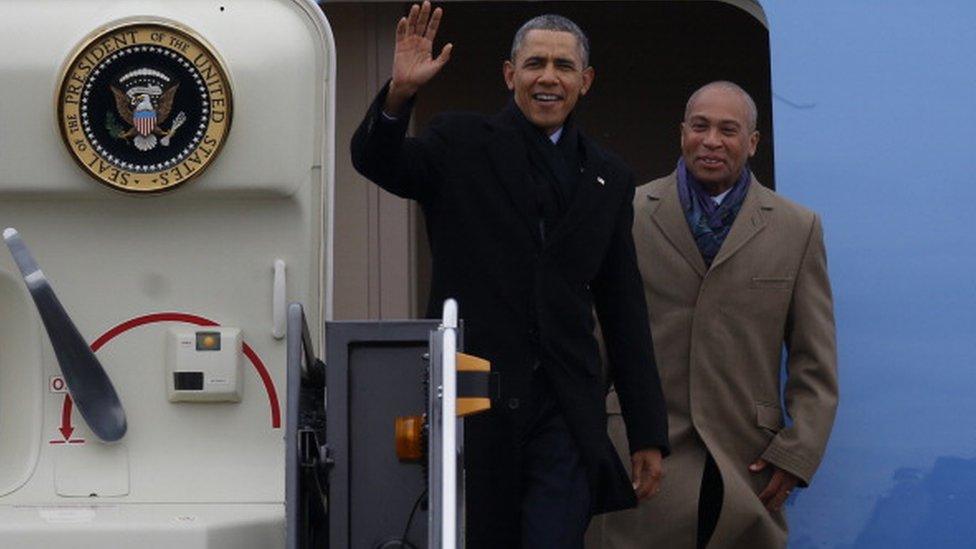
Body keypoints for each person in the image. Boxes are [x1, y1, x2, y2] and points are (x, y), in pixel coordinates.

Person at [350, 3, 669, 547]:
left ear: (585, 81)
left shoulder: (608, 176)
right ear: (510, 74)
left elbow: (623, 308)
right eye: (535, 64)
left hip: (566, 410)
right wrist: (399, 94)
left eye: (564, 67)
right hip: (478, 403)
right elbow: (379, 162)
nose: (548, 78)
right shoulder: (459, 143)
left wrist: (647, 433)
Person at [587, 81, 838, 549]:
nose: (711, 141)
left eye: (728, 129)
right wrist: (584, 443)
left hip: (748, 468)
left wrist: (797, 454)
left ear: (753, 142)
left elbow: (814, 362)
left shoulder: (797, 228)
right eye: (700, 127)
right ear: (682, 133)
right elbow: (596, 341)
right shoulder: (627, 212)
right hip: (640, 462)